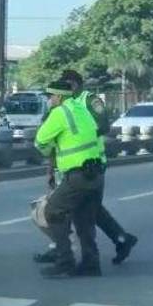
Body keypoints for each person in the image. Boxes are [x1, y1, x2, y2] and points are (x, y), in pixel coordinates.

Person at [34, 70, 138, 267]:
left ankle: (64, 253)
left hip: (88, 161)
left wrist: (78, 134)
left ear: (72, 85)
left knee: (68, 209)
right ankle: (113, 243)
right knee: (86, 210)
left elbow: (103, 125)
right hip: (70, 161)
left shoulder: (88, 100)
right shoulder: (65, 106)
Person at [33, 75, 107, 278]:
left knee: (53, 212)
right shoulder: (83, 109)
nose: (49, 100)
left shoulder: (59, 113)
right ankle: (92, 264)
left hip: (77, 175)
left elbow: (40, 141)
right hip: (97, 173)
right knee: (85, 219)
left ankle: (64, 261)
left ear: (58, 96)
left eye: (50, 96)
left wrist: (49, 151)